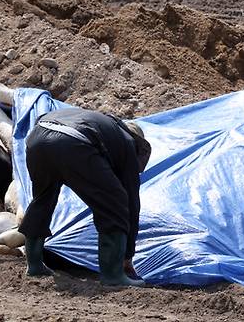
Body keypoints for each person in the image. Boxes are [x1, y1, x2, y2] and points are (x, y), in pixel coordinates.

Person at [18, 107, 152, 286]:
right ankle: (113, 275)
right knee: (116, 201)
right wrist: (127, 255)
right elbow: (131, 202)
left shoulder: (95, 122)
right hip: (74, 141)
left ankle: (34, 264)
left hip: (38, 138)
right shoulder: (127, 143)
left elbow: (43, 121)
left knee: (43, 199)